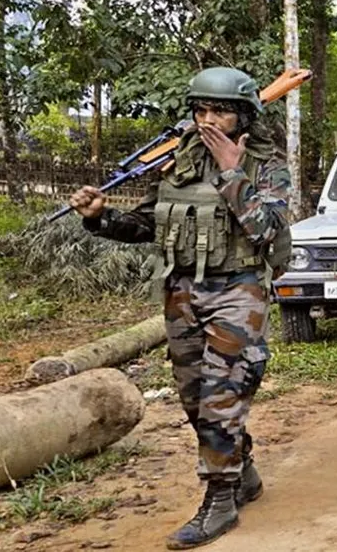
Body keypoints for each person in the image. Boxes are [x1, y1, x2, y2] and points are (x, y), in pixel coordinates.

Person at [68, 67, 291, 549]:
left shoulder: (264, 165)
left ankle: (220, 499)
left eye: (221, 111)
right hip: (182, 293)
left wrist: (233, 170)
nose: (209, 120)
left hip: (239, 291)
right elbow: (150, 222)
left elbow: (268, 230)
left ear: (245, 115)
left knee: (221, 396)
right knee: (194, 399)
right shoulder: (182, 160)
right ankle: (243, 469)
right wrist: (100, 217)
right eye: (201, 110)